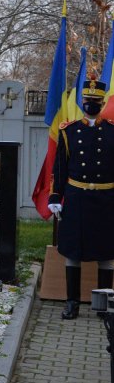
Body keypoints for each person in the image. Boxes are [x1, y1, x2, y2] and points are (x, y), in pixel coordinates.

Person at [48, 77, 114, 319]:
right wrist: (55, 196)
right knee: (73, 251)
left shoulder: (112, 132)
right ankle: (72, 303)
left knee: (106, 253)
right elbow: (59, 168)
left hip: (106, 200)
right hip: (76, 199)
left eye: (96, 101)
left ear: (103, 101)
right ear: (82, 101)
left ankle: (103, 306)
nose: (91, 104)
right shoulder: (69, 131)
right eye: (87, 100)